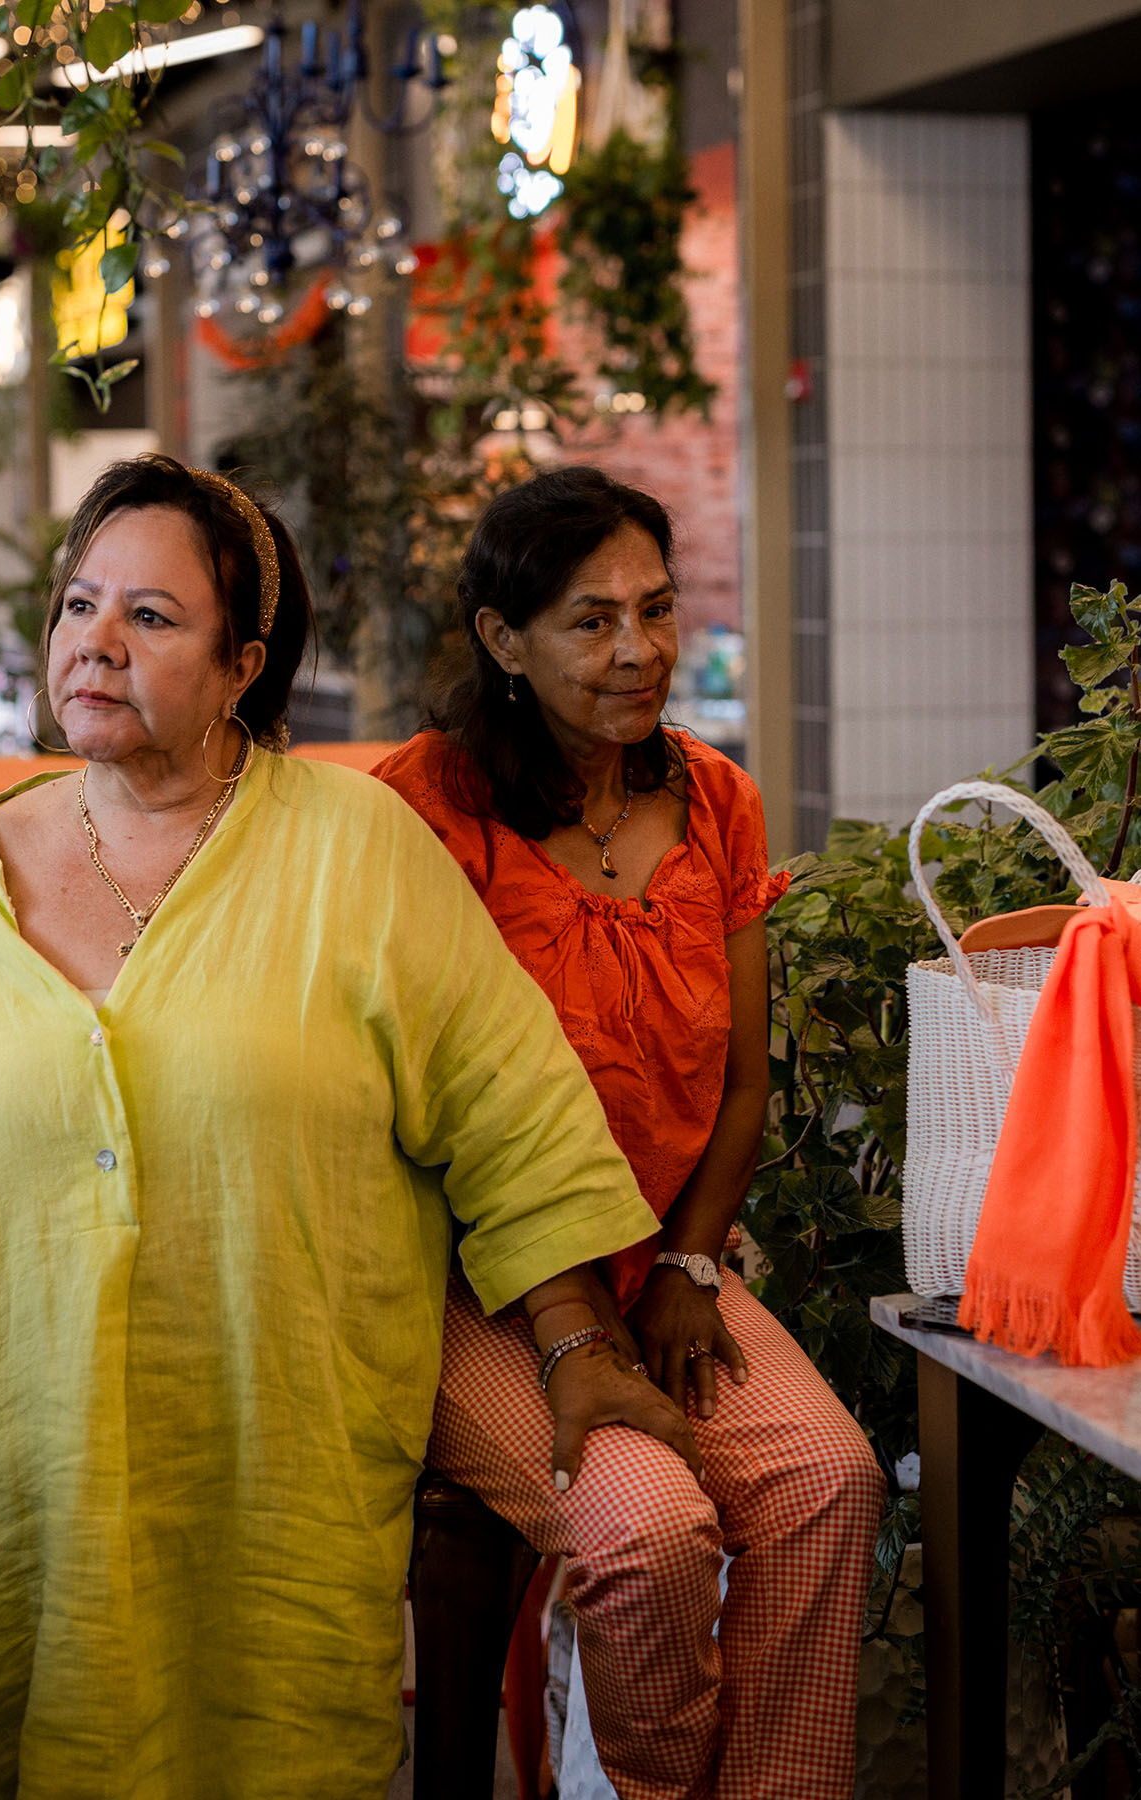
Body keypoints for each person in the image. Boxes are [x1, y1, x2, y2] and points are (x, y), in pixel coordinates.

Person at [0, 455, 704, 1800]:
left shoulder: (356, 851)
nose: (96, 642)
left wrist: (577, 1341)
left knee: (277, 1740)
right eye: (81, 605)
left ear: (244, 662)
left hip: (271, 1454)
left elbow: (510, 1108)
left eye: (152, 617)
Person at [376, 465, 885, 1800]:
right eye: (591, 621)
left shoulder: (716, 800)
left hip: (657, 1261)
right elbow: (423, 1116)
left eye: (656, 610)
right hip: (472, 1287)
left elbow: (740, 1088)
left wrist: (690, 1262)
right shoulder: (422, 814)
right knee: (651, 1534)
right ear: (503, 640)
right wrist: (573, 1325)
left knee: (830, 1481)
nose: (640, 650)